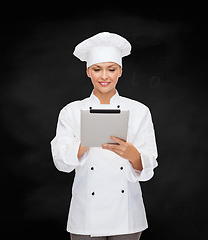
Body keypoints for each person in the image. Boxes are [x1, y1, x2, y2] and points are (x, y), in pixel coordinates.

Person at [51, 32, 158, 240]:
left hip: (126, 214)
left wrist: (133, 155)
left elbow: (150, 162)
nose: (104, 76)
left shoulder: (139, 111)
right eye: (97, 69)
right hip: (86, 214)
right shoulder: (71, 111)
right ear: (88, 72)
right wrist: (85, 142)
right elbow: (61, 162)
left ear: (120, 71)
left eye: (111, 69)